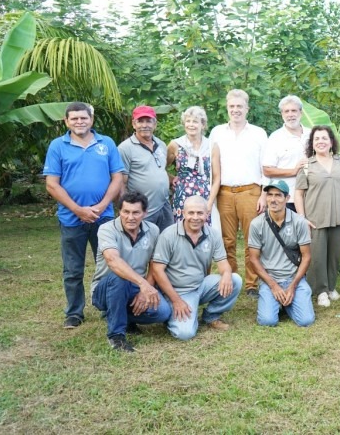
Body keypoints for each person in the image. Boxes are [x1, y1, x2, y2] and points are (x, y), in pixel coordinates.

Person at [44, 102, 125, 329]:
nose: (80, 122)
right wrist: (78, 210)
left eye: (84, 118)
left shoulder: (106, 143)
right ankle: (74, 313)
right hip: (72, 219)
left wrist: (101, 206)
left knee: (111, 264)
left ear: (91, 119)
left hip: (104, 217)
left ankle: (109, 307)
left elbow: (117, 178)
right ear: (66, 121)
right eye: (74, 119)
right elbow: (52, 185)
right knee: (73, 269)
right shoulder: (57, 146)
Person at [151, 196, 243, 340]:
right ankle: (172, 314)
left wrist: (226, 274)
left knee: (235, 279)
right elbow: (157, 269)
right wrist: (176, 300)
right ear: (183, 213)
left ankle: (211, 315)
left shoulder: (213, 234)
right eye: (191, 213)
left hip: (201, 286)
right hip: (178, 291)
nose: (195, 217)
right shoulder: (168, 235)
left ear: (207, 214)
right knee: (185, 334)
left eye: (200, 213)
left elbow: (223, 263)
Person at [91, 191, 172, 352]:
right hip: (105, 289)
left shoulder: (153, 230)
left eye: (136, 212)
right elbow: (113, 261)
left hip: (136, 287)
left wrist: (145, 290)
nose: (130, 217)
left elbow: (154, 264)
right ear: (119, 211)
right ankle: (116, 336)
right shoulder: (106, 229)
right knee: (119, 278)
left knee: (163, 312)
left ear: (145, 213)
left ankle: (117, 314)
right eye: (126, 212)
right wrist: (143, 284)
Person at [209, 89, 268, 299]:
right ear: (227, 108)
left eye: (239, 106)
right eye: (232, 106)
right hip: (224, 193)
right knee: (227, 240)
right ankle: (232, 278)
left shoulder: (259, 133)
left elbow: (265, 166)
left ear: (247, 108)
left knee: (252, 239)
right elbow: (210, 164)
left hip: (250, 191)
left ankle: (252, 283)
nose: (236, 110)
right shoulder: (217, 132)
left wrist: (264, 194)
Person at [295, 126, 340, 308]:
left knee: (335, 254)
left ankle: (331, 287)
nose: (321, 141)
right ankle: (320, 291)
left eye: (324, 138)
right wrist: (302, 218)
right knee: (317, 255)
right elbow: (298, 194)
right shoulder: (306, 166)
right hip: (315, 218)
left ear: (331, 141)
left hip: (339, 216)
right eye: (316, 138)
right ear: (312, 143)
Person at [249, 180, 314, 327]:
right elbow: (253, 259)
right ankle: (279, 301)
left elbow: (306, 256)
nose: (273, 199)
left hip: (293, 278)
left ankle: (285, 302)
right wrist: (273, 285)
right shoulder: (256, 224)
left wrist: (293, 285)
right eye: (270, 195)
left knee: (306, 321)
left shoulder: (299, 222)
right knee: (267, 321)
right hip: (270, 279)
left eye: (278, 195)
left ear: (287, 198)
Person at [118, 105, 174, 230]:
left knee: (167, 243)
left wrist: (171, 179)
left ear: (155, 124)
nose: (145, 125)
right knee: (143, 245)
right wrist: (126, 209)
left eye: (148, 121)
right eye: (140, 121)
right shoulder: (125, 148)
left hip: (164, 205)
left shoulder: (161, 144)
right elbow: (121, 181)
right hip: (142, 209)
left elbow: (159, 169)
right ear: (134, 124)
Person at [166, 106, 220, 228]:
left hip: (205, 196)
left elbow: (217, 178)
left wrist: (210, 203)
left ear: (203, 125)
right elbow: (159, 168)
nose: (191, 125)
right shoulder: (175, 145)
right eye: (188, 121)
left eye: (195, 121)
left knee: (205, 231)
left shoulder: (212, 146)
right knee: (181, 230)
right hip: (182, 196)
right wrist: (170, 178)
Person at [262, 95, 310, 212]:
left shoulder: (312, 134)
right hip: (286, 198)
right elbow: (267, 170)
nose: (290, 114)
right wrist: (293, 171)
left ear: (301, 113)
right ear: (282, 114)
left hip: (311, 197)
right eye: (286, 111)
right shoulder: (276, 137)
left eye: (294, 110)